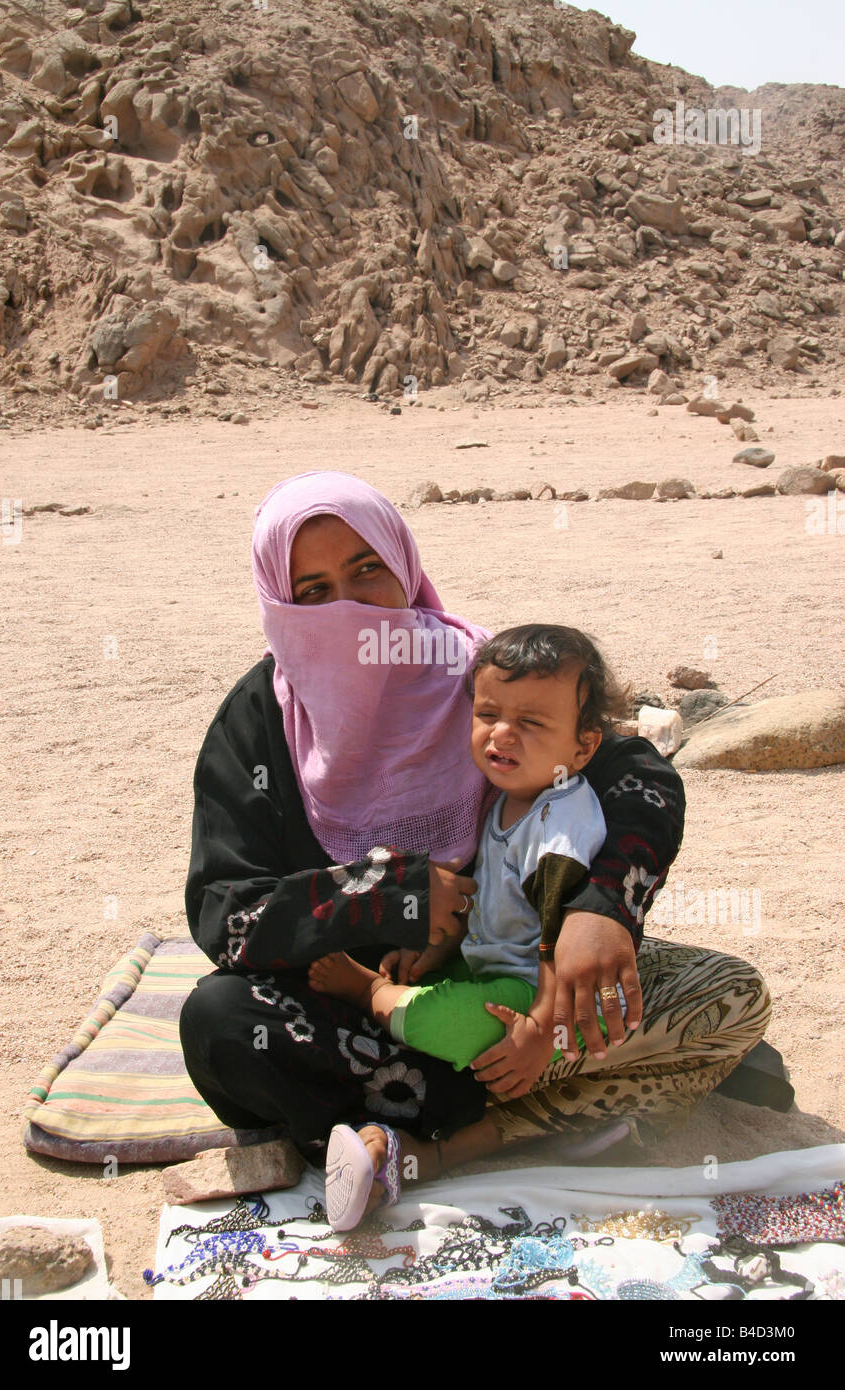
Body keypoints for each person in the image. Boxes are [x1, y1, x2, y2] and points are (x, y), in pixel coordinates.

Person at [179, 470, 771, 1231]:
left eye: (367, 570)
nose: (351, 608)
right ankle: (503, 1122)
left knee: (731, 994)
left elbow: (637, 774)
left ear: (404, 563)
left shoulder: (481, 676)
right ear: (280, 604)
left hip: (523, 997)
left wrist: (603, 907)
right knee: (219, 1021)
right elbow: (225, 916)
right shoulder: (258, 721)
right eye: (314, 590)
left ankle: (416, 1139)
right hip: (367, 1018)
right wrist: (385, 893)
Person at [308, 623, 629, 1084]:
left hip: (551, 993)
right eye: (488, 714)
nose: (502, 734)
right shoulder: (509, 795)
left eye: (531, 722)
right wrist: (442, 946)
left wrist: (540, 1030)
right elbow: (497, 897)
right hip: (499, 967)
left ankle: (370, 992)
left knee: (440, 1022)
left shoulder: (560, 821)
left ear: (583, 747)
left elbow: (562, 935)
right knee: (439, 986)